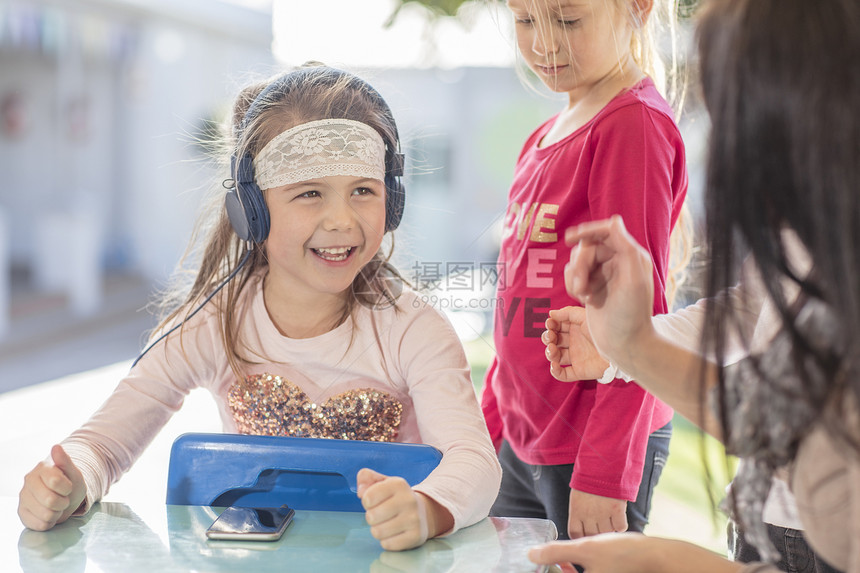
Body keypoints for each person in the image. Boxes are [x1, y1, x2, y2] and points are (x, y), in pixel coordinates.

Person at [17, 63, 502, 552]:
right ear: (252, 210)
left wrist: (427, 509)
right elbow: (101, 444)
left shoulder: (414, 329)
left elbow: (474, 460)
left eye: (363, 190)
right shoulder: (212, 324)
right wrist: (71, 480)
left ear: (391, 199)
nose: (341, 219)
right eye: (310, 193)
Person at [529, 0, 860, 571]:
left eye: (737, 109)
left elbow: (796, 426)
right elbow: (757, 324)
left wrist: (662, 560)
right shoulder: (807, 221)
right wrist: (627, 344)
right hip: (768, 521)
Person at [480, 0, 689, 541]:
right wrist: (488, 429)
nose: (545, 45)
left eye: (568, 20)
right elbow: (514, 297)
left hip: (588, 446)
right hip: (519, 441)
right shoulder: (540, 139)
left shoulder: (631, 126)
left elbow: (640, 315)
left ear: (637, 8)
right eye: (525, 21)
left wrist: (603, 470)